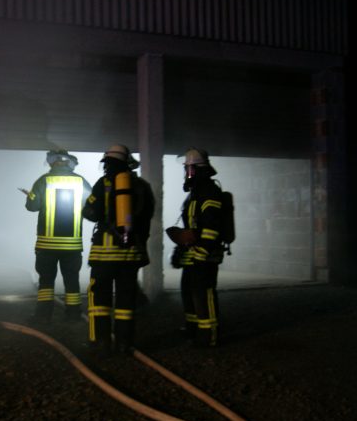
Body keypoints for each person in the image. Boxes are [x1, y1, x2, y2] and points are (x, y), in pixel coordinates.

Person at [82, 144, 155, 354]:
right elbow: (147, 216)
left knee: (99, 298)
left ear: (107, 163)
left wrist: (88, 210)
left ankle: (101, 342)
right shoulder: (142, 186)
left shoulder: (103, 184)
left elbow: (91, 212)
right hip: (131, 254)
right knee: (126, 299)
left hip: (104, 254)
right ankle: (124, 343)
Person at [23, 149, 91, 323]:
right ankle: (74, 315)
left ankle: (43, 316)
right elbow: (91, 208)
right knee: (72, 281)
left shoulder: (43, 180)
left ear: (52, 161)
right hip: (72, 245)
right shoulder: (81, 181)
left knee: (46, 282)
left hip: (47, 245)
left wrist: (30, 195)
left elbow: (32, 207)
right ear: (69, 162)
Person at [169, 147, 224, 347]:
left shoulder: (209, 192)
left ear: (194, 169)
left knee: (204, 294)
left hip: (205, 255)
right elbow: (191, 227)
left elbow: (211, 227)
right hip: (193, 254)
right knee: (189, 291)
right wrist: (180, 250)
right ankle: (193, 329)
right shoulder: (195, 193)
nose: (186, 173)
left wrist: (202, 252)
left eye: (187, 169)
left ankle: (208, 336)